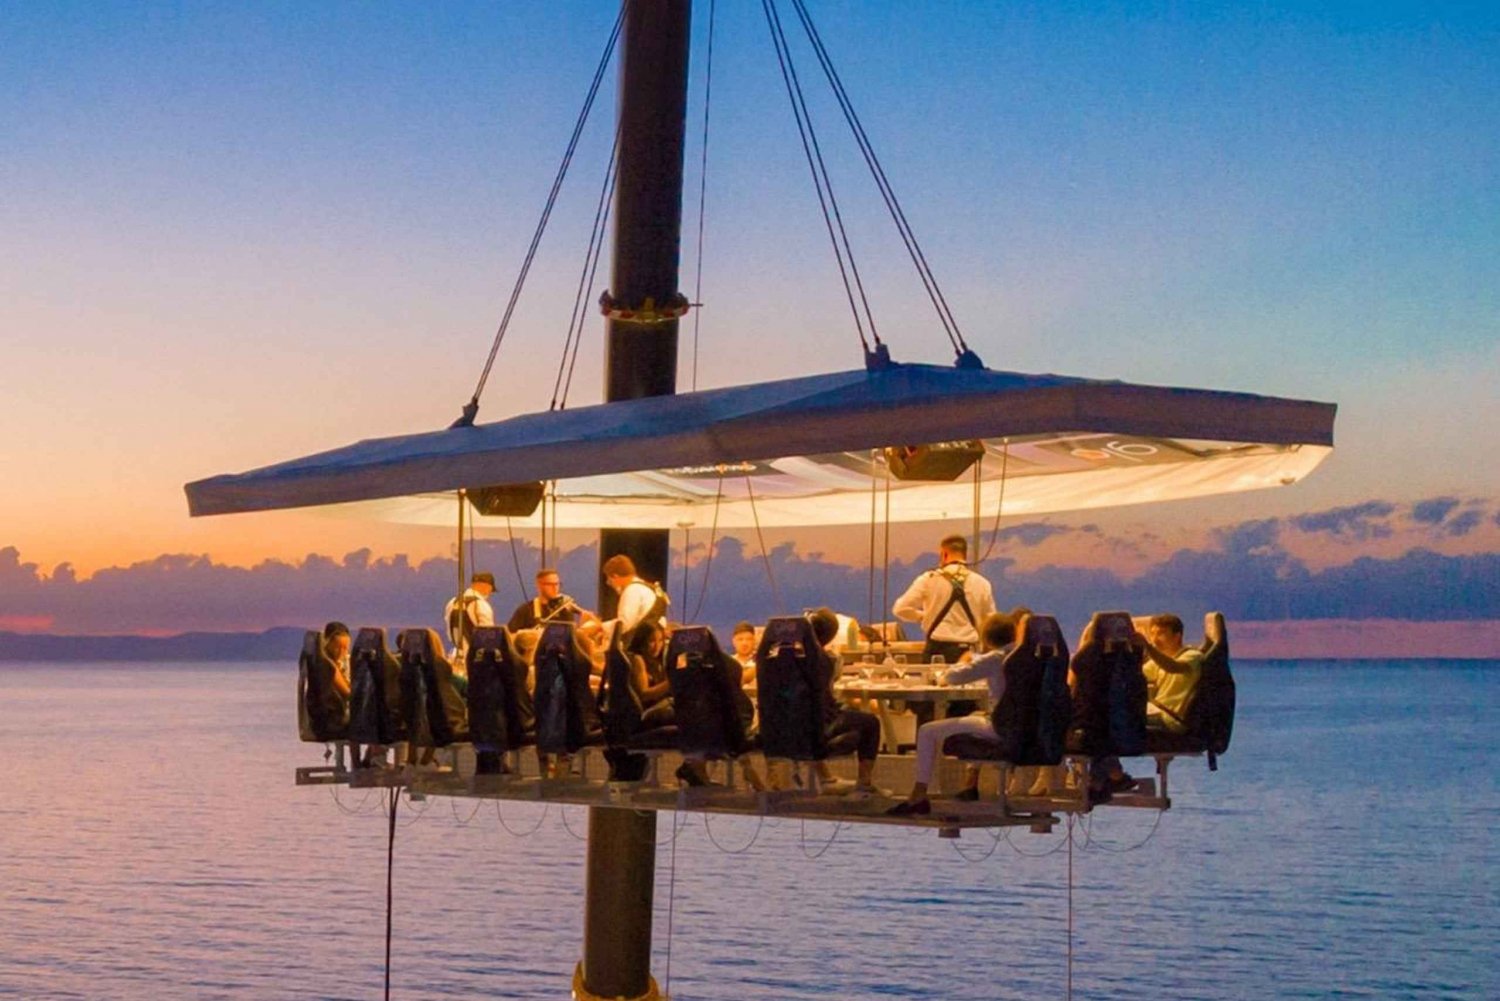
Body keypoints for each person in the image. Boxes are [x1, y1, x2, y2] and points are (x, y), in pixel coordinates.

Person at [886, 611, 1019, 816]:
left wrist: (962, 662)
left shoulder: (995, 658)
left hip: (1000, 727)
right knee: (975, 716)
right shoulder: (1026, 657)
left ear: (987, 639)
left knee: (927, 731)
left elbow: (954, 677)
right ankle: (964, 785)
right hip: (1024, 727)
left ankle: (918, 795)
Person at [808, 608, 883, 798]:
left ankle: (825, 777)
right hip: (820, 729)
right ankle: (864, 783)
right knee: (870, 722)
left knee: (813, 720)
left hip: (784, 730)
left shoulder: (784, 660)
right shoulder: (826, 660)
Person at [892, 534, 997, 665]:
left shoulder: (928, 579)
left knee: (933, 679)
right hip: (968, 653)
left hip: (937, 651)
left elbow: (900, 609)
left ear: (944, 554)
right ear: (965, 555)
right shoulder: (982, 583)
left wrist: (922, 616)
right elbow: (990, 621)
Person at [1137, 614, 1204, 733]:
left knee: (1123, 719)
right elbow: (1136, 674)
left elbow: (1173, 667)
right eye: (1152, 634)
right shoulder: (1158, 660)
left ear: (1177, 636)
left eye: (1161, 634)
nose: (1155, 639)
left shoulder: (1193, 656)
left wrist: (1147, 647)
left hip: (1170, 718)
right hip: (1156, 710)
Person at [508, 567, 600, 633]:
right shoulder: (525, 610)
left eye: (557, 584)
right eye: (550, 584)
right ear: (539, 585)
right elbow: (511, 634)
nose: (555, 588)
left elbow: (570, 636)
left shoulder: (564, 610)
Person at [601, 554, 669, 641]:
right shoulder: (645, 588)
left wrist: (599, 627)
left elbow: (624, 624)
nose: (609, 583)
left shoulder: (632, 591)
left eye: (610, 580)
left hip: (642, 645)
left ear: (615, 577)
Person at [444, 572, 496, 664]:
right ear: (488, 587)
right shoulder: (482, 605)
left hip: (456, 657)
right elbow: (488, 638)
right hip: (476, 661)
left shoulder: (452, 603)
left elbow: (449, 633)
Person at [729, 620, 758, 687]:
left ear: (754, 641)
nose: (744, 643)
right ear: (733, 641)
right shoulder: (728, 663)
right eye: (740, 639)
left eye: (749, 639)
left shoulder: (762, 663)